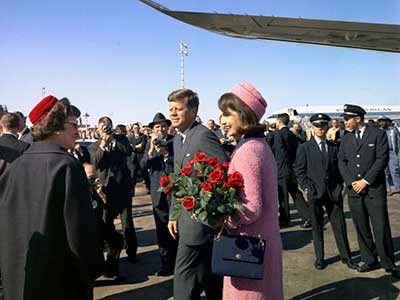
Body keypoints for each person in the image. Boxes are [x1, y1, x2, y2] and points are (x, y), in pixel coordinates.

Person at [0, 95, 104, 300]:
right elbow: (79, 232)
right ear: (56, 126)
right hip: (60, 281)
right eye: (73, 123)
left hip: (19, 279)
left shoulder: (17, 165)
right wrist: (93, 268)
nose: (78, 130)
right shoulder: (66, 166)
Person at [218, 82, 283, 300]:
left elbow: (252, 207)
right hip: (264, 241)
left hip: (247, 247)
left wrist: (224, 219)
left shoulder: (248, 151)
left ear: (244, 115)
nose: (223, 121)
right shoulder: (259, 146)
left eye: (227, 114)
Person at [167, 88, 228, 300]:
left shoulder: (203, 136)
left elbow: (222, 174)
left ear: (194, 111)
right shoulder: (178, 139)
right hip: (186, 221)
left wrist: (215, 215)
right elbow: (178, 180)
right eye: (171, 109)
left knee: (183, 284)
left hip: (200, 226)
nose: (173, 113)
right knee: (211, 281)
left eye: (178, 109)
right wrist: (174, 215)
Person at [338, 104, 400, 279]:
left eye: (347, 118)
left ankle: (388, 262)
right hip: (354, 191)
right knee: (361, 226)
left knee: (380, 225)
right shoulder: (346, 138)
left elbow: (382, 159)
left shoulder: (377, 134)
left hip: (373, 188)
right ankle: (369, 259)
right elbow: (341, 161)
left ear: (358, 119)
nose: (345, 122)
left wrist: (365, 181)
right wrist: (352, 182)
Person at [295, 113, 357, 271]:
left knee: (340, 226)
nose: (320, 129)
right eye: (317, 126)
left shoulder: (334, 147)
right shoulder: (304, 148)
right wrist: (307, 188)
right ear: (312, 127)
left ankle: (346, 256)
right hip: (315, 193)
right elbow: (299, 170)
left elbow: (340, 168)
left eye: (323, 126)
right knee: (317, 226)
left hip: (333, 193)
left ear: (327, 127)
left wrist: (341, 187)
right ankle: (320, 257)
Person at [89, 117, 138, 264]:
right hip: (105, 190)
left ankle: (132, 252)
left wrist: (114, 141)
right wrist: (104, 144)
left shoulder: (121, 139)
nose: (106, 130)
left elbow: (129, 151)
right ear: (98, 130)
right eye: (103, 128)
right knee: (106, 223)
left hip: (122, 187)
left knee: (127, 222)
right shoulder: (94, 146)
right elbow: (95, 163)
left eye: (108, 127)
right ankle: (111, 255)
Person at [142, 112, 178, 276]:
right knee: (162, 232)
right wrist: (151, 151)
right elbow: (142, 165)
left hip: (173, 193)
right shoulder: (150, 145)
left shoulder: (174, 142)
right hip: (158, 195)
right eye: (157, 127)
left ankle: (179, 263)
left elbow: (178, 166)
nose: (160, 129)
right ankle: (166, 264)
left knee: (177, 229)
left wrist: (165, 154)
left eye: (163, 126)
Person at [83, 163, 124, 280]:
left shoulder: (95, 191)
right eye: (91, 179)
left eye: (95, 178)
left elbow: (108, 214)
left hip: (98, 228)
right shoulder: (79, 193)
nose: (95, 181)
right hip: (86, 231)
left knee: (117, 239)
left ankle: (110, 271)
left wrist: (102, 196)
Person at [274, 113, 311, 228]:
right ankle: (308, 216)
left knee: (283, 196)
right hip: (291, 167)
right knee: (295, 193)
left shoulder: (278, 134)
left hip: (281, 169)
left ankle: (285, 220)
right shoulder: (291, 134)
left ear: (279, 121)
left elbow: (279, 153)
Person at [378, 116, 400, 196]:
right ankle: (387, 189)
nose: (382, 123)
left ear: (387, 121)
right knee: (384, 172)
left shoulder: (393, 130)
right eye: (380, 121)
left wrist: (397, 151)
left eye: (383, 121)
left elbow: (398, 140)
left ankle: (398, 188)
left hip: (392, 153)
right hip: (382, 153)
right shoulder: (378, 131)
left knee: (395, 171)